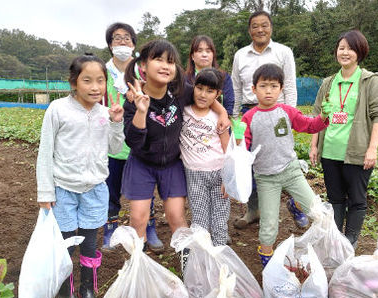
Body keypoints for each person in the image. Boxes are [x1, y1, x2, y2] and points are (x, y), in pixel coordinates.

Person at [122, 39, 230, 253]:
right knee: (137, 218)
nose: (165, 66)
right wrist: (142, 111)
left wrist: (223, 112)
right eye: (158, 60)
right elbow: (133, 142)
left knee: (176, 217)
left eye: (170, 62)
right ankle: (138, 269)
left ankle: (189, 266)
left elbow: (206, 97)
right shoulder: (133, 100)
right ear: (143, 65)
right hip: (141, 163)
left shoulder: (180, 91)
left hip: (171, 164)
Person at [36, 54, 125, 298]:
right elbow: (45, 151)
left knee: (89, 243)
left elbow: (115, 147)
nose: (95, 87)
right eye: (87, 80)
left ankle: (88, 290)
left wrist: (116, 123)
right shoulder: (58, 109)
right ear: (74, 82)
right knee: (66, 242)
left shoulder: (105, 114)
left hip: (95, 189)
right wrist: (45, 191)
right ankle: (66, 293)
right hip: (63, 189)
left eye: (100, 81)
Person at [241, 63, 329, 266]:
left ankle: (296, 205)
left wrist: (324, 117)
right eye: (263, 86)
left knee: (316, 210)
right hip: (265, 177)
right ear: (254, 89)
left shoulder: (287, 112)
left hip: (291, 171)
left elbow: (308, 125)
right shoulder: (249, 117)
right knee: (269, 224)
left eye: (273, 86)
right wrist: (237, 142)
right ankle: (267, 262)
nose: (268, 91)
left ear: (281, 89)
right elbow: (243, 151)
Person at [309, 30, 378, 249]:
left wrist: (372, 149)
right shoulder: (328, 82)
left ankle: (350, 241)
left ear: (359, 52)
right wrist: (314, 145)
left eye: (350, 48)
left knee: (356, 199)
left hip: (357, 151)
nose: (345, 52)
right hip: (330, 151)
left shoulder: (370, 81)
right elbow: (318, 115)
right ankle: (336, 242)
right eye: (341, 48)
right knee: (335, 199)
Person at [231, 10, 308, 230]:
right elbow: (236, 88)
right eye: (255, 26)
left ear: (271, 28)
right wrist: (236, 118)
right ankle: (254, 210)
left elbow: (290, 86)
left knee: (283, 160)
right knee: (250, 164)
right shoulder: (240, 56)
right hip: (249, 111)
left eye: (264, 25)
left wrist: (290, 116)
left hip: (278, 113)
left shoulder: (283, 52)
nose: (260, 30)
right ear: (249, 30)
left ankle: (296, 204)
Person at [102, 22, 163, 253]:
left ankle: (150, 228)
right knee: (111, 189)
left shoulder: (143, 71)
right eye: (117, 38)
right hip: (112, 139)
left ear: (134, 44)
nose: (122, 42)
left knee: (146, 188)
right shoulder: (102, 71)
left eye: (127, 38)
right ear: (109, 45)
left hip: (141, 138)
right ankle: (110, 230)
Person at [180, 68, 231, 246]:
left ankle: (220, 260)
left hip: (219, 174)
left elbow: (228, 148)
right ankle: (202, 259)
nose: (203, 95)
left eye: (210, 91)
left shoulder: (218, 117)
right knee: (200, 222)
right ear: (193, 87)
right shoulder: (183, 110)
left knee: (219, 221)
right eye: (199, 88)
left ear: (218, 94)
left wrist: (228, 177)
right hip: (194, 176)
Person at [186, 35, 234, 115]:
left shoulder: (224, 77)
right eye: (199, 51)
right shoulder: (185, 78)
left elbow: (229, 104)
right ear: (192, 56)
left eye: (208, 51)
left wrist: (224, 116)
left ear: (213, 55)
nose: (204, 55)